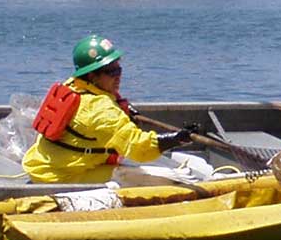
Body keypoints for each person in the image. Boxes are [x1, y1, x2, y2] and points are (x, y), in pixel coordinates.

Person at [22, 35, 194, 183]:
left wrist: (124, 108)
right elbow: (140, 150)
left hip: (41, 166)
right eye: (111, 72)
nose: (118, 75)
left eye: (119, 69)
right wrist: (176, 139)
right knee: (166, 177)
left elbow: (104, 104)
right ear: (92, 75)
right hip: (64, 177)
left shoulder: (73, 85)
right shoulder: (100, 111)